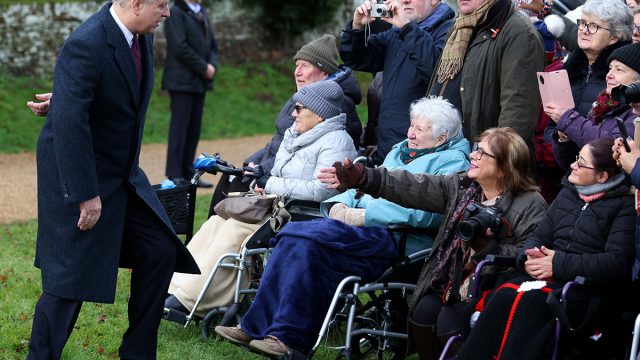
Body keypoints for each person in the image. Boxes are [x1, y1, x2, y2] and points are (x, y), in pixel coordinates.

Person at [213, 96, 471, 357]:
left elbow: (426, 214)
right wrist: (337, 205)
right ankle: (258, 328)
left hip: (399, 242)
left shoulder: (453, 163)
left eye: (419, 129)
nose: (411, 133)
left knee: (305, 239)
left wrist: (361, 216)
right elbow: (363, 185)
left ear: (441, 138)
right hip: (365, 234)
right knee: (293, 236)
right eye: (411, 125)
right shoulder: (400, 151)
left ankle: (288, 339)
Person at [28, 1, 200, 359]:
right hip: (81, 173)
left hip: (123, 176)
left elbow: (111, 91)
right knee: (68, 279)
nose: (167, 13)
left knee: (160, 249)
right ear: (136, 4)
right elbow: (71, 126)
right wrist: (85, 194)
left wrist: (63, 98)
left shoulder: (141, 37)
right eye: (161, 5)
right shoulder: (86, 43)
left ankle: (137, 353)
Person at [318, 127, 547, 359]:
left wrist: (488, 248)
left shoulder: (530, 204)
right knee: (423, 314)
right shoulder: (463, 187)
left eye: (482, 153)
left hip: (493, 288)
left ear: (504, 167)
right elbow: (415, 186)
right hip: (451, 280)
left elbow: (530, 255)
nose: (473, 155)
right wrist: (365, 177)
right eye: (476, 149)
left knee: (450, 321)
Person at [165, 80, 357, 317]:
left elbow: (322, 190)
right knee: (215, 223)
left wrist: (271, 183)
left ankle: (192, 300)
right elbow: (277, 174)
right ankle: (173, 287)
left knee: (234, 229)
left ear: (319, 115)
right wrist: (263, 180)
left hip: (301, 215)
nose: (293, 114)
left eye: (299, 109)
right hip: (277, 206)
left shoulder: (337, 142)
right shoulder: (295, 134)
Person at [457, 138, 636, 360]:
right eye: (575, 159)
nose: (572, 165)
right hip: (544, 275)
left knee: (530, 303)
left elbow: (616, 262)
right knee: (503, 294)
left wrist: (557, 264)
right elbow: (539, 236)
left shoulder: (624, 207)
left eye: (581, 163)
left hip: (583, 288)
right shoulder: (567, 194)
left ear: (602, 176)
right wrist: (529, 257)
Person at [210, 34, 363, 210]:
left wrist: (263, 174)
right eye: (296, 66)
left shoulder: (335, 104)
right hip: (275, 173)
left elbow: (303, 158)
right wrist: (252, 163)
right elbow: (277, 141)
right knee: (229, 179)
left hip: (293, 186)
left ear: (324, 72)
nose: (297, 72)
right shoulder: (302, 97)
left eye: (305, 66)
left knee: (233, 190)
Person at [340, 0, 455, 161]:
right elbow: (356, 59)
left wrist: (407, 29)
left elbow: (437, 72)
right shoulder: (396, 33)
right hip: (388, 144)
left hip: (425, 150)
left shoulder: (450, 30)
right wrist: (356, 28)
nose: (404, 1)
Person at [427, 0, 544, 148]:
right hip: (445, 155)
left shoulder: (519, 33)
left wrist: (491, 158)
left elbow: (517, 114)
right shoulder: (459, 25)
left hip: (481, 159)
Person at [545, 43, 640, 169]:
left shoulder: (635, 113)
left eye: (619, 69)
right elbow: (569, 163)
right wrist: (565, 139)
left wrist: (568, 120)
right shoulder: (603, 104)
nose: (609, 75)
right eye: (610, 68)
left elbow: (608, 149)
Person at [162, 0, 218, 188]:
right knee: (180, 128)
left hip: (199, 82)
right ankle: (174, 173)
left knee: (193, 129)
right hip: (181, 81)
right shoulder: (175, 12)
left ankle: (187, 172)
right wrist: (204, 67)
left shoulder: (200, 11)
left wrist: (212, 65)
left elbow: (212, 44)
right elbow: (179, 47)